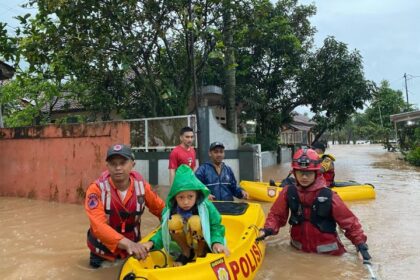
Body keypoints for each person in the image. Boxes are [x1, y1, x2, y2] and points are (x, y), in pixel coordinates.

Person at [257, 148, 371, 261]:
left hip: (330, 256)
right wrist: (267, 230)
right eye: (300, 173)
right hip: (298, 252)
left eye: (308, 173)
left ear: (316, 173)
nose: (304, 177)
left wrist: (360, 244)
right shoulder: (288, 192)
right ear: (294, 173)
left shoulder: (330, 196)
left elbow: (349, 223)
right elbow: (276, 215)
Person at [85, 144, 165, 268]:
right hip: (102, 254)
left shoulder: (142, 187)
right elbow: (98, 226)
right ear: (107, 166)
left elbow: (163, 212)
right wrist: (128, 244)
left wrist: (157, 239)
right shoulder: (95, 190)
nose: (118, 167)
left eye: (123, 163)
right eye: (113, 164)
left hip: (133, 251)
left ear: (132, 164)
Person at [142, 164, 229, 266]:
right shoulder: (170, 210)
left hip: (204, 243)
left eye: (190, 196)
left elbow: (216, 226)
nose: (186, 202)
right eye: (181, 197)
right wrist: (151, 243)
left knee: (196, 221)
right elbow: (164, 231)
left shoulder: (206, 207)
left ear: (197, 195)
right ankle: (186, 252)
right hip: (185, 241)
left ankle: (201, 253)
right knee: (172, 221)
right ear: (175, 197)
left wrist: (216, 242)